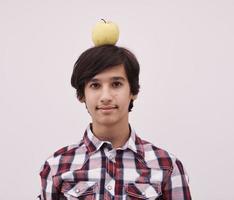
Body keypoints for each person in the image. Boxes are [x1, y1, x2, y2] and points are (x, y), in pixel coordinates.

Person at [38, 45, 191, 199]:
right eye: (95, 85)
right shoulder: (56, 166)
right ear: (81, 95)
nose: (106, 96)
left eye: (116, 84)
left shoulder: (167, 167)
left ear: (133, 91)